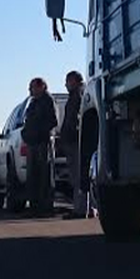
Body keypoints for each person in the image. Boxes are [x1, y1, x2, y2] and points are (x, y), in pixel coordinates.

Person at [21, 77, 58, 217]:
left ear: (41, 86)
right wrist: (27, 134)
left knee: (45, 176)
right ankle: (34, 207)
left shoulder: (48, 101)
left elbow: (53, 121)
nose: (30, 90)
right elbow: (28, 121)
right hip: (32, 143)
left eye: (32, 87)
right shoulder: (33, 103)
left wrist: (39, 133)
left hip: (42, 143)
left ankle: (45, 207)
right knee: (33, 176)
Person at [59, 71, 85, 218]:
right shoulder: (75, 96)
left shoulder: (78, 96)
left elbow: (75, 120)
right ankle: (83, 208)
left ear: (74, 81)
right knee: (78, 176)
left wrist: (71, 134)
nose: (66, 85)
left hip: (75, 141)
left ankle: (80, 209)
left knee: (78, 176)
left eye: (68, 81)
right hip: (73, 140)